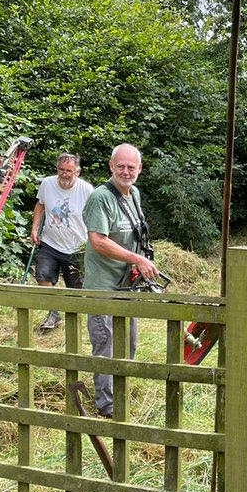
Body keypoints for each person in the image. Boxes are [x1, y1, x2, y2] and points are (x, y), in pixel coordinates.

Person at [82, 143, 159, 418]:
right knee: (106, 345)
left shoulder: (134, 194)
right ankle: (107, 406)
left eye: (131, 167)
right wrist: (136, 259)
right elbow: (98, 241)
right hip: (103, 288)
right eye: (121, 166)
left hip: (127, 285)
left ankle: (121, 394)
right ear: (111, 167)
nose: (126, 171)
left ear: (139, 169)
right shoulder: (101, 198)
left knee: (129, 344)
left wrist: (142, 261)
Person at [31, 153, 94, 331]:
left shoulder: (87, 190)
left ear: (78, 172)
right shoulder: (47, 184)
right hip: (50, 242)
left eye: (69, 171)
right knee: (42, 275)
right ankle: (53, 313)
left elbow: (95, 216)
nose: (65, 174)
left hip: (77, 246)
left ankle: (74, 318)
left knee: (76, 288)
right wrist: (35, 229)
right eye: (61, 170)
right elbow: (40, 205)